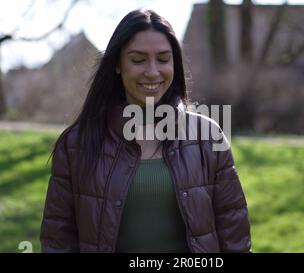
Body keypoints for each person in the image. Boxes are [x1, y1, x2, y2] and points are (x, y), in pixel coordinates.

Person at [40, 9, 251, 253]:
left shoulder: (208, 136)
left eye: (163, 59)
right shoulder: (76, 144)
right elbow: (57, 243)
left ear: (175, 63)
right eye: (138, 60)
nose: (152, 71)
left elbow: (235, 238)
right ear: (118, 65)